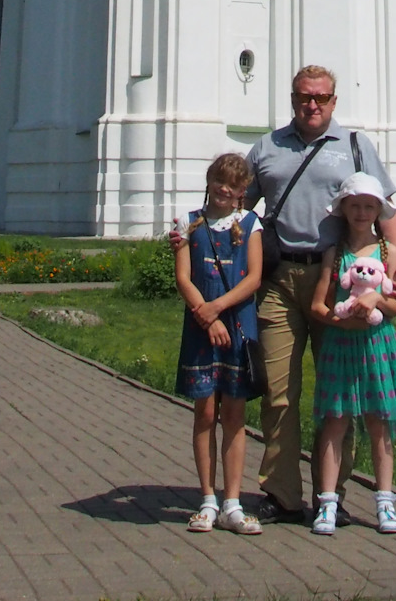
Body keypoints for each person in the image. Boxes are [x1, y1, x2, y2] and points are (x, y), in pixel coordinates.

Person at [244, 64, 396, 523]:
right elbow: (241, 206)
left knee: (343, 392)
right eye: (302, 97)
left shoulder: (354, 146)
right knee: (279, 392)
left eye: (320, 97)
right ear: (292, 99)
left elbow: (386, 208)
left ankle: (330, 496)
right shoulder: (267, 147)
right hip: (280, 279)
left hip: (339, 278)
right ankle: (280, 494)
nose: (311, 105)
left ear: (334, 101)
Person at [309, 172, 396, 536]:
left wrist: (375, 299)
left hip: (377, 345)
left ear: (378, 211)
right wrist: (341, 320)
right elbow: (318, 305)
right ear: (344, 209)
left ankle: (385, 502)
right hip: (342, 344)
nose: (362, 212)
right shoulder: (334, 253)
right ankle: (327, 504)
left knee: (379, 424)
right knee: (336, 422)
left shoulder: (390, 251)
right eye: (355, 206)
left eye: (370, 206)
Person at [173, 152, 265, 535]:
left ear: (243, 191)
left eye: (233, 185)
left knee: (235, 415)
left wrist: (217, 308)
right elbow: (183, 278)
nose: (224, 190)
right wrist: (205, 315)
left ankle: (233, 502)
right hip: (201, 328)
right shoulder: (188, 223)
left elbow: (255, 276)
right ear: (209, 181)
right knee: (205, 413)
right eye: (219, 182)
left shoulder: (249, 223)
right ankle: (208, 500)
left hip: (237, 326)